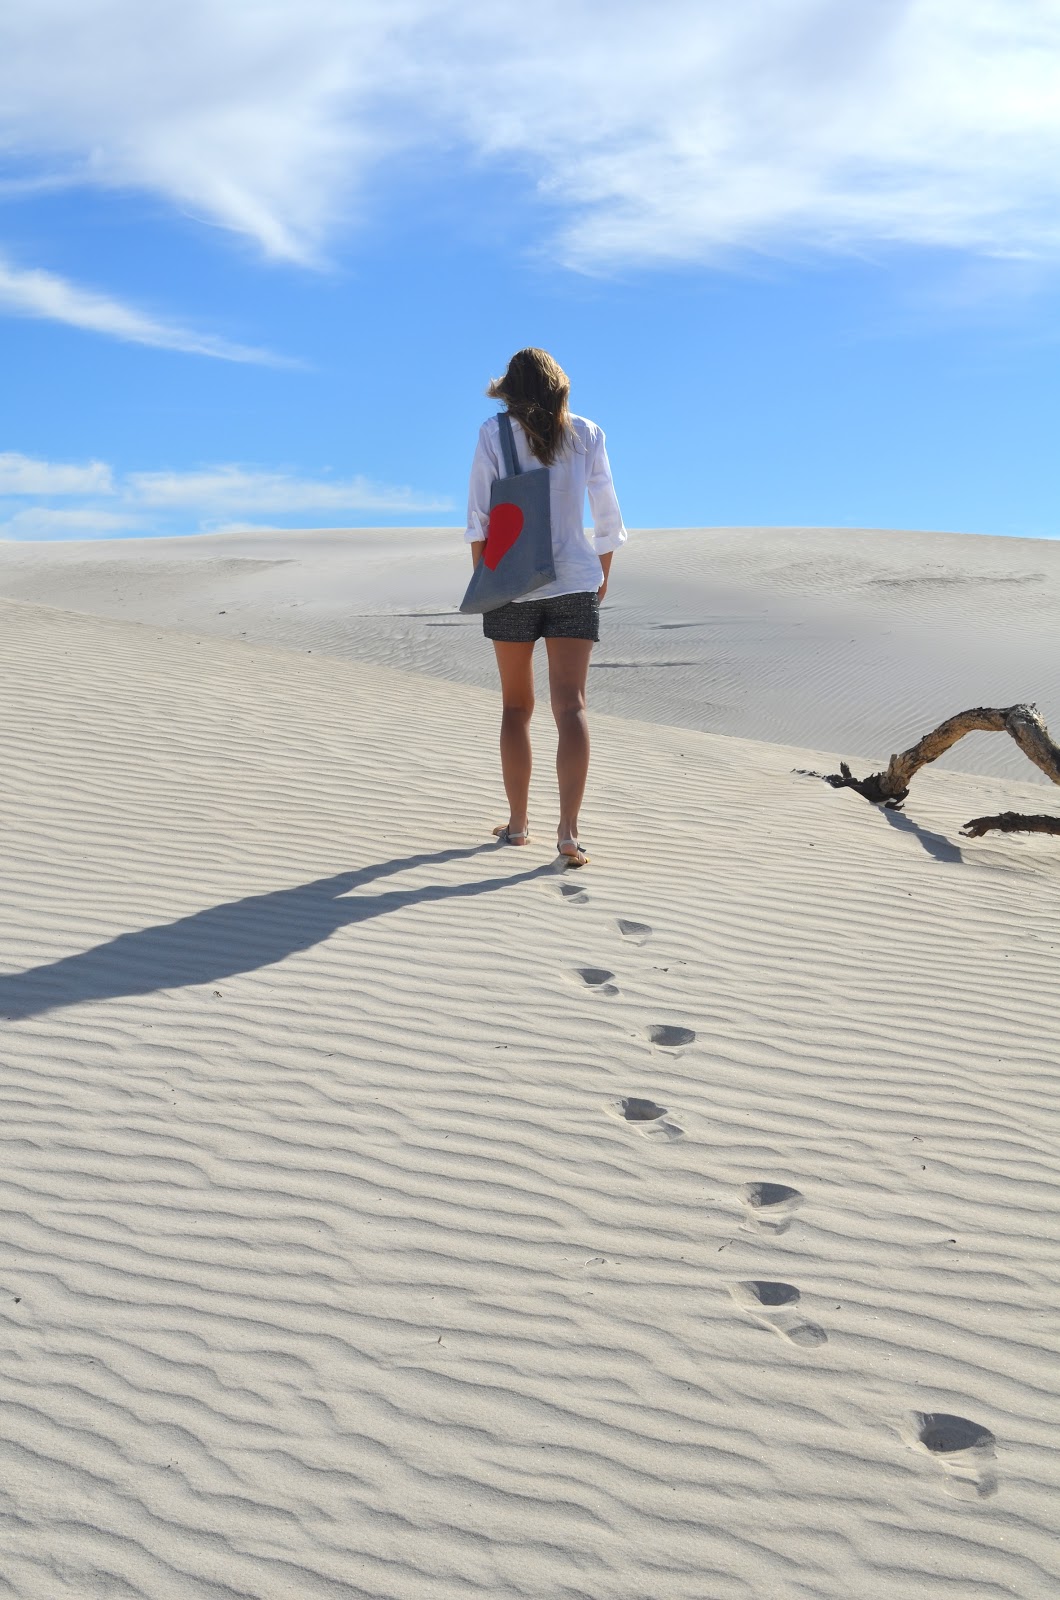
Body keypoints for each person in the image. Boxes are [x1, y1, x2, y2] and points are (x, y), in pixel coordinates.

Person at [465, 347, 627, 867]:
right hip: (576, 581)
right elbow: (608, 516)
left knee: (516, 708)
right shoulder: (588, 433)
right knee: (571, 707)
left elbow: (480, 518)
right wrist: (600, 575)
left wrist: (485, 578)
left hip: (511, 583)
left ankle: (517, 826)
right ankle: (569, 833)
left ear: (509, 388)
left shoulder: (494, 433)